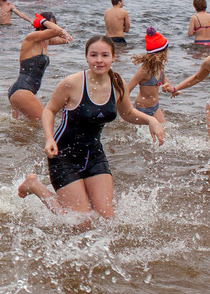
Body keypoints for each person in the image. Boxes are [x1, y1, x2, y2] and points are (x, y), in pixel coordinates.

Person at [18, 35, 164, 223]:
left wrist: (151, 120)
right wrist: (49, 138)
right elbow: (49, 110)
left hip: (94, 155)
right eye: (94, 55)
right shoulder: (73, 83)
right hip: (63, 156)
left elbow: (127, 113)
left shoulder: (117, 83)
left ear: (113, 57)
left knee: (106, 220)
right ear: (87, 57)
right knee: (81, 222)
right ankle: (34, 186)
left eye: (105, 55)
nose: (99, 60)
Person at [8, 12, 72, 122]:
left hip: (25, 91)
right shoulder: (32, 37)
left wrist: (46, 23)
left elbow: (68, 38)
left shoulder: (46, 41)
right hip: (22, 90)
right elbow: (57, 31)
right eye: (50, 24)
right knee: (46, 123)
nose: (53, 27)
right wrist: (43, 21)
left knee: (22, 131)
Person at [128, 28, 175, 132]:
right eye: (166, 50)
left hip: (155, 107)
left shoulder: (160, 67)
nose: (167, 53)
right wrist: (126, 109)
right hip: (141, 108)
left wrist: (173, 89)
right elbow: (128, 88)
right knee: (137, 136)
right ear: (160, 53)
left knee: (166, 131)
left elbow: (165, 81)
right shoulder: (144, 70)